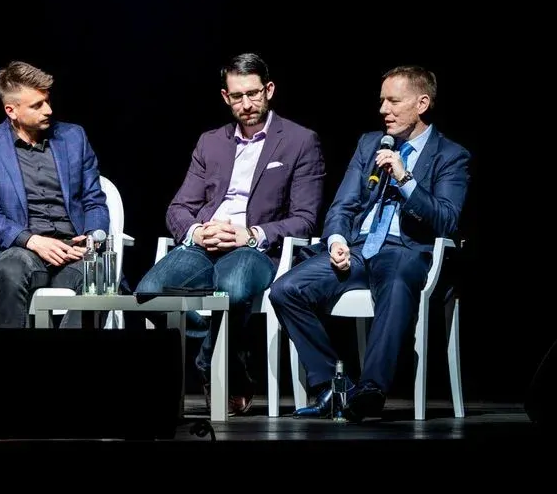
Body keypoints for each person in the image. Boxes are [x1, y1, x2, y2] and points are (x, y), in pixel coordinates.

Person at [269, 65, 470, 422]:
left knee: (397, 279)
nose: (383, 110)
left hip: (405, 250)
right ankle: (333, 387)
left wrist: (405, 178)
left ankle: (371, 389)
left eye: (394, 101)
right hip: (359, 249)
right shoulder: (369, 144)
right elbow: (343, 205)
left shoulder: (450, 155)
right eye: (381, 101)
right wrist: (336, 241)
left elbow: (447, 219)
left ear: (422, 103)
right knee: (286, 289)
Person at [134, 52, 325, 416]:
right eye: (237, 96)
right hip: (205, 244)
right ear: (225, 96)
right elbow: (178, 208)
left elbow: (305, 219)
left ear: (269, 90)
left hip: (254, 249)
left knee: (232, 290)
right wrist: (197, 231)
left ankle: (210, 363)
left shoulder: (300, 140)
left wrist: (249, 235)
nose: (246, 104)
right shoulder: (210, 142)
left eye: (253, 93)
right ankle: (227, 359)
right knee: (149, 293)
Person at [0, 60, 110, 328]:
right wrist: (32, 240)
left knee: (98, 275)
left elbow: (94, 201)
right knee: (9, 269)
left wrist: (92, 240)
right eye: (37, 105)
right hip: (25, 249)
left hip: (74, 249)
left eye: (47, 101)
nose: (48, 110)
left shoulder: (73, 137)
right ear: (11, 110)